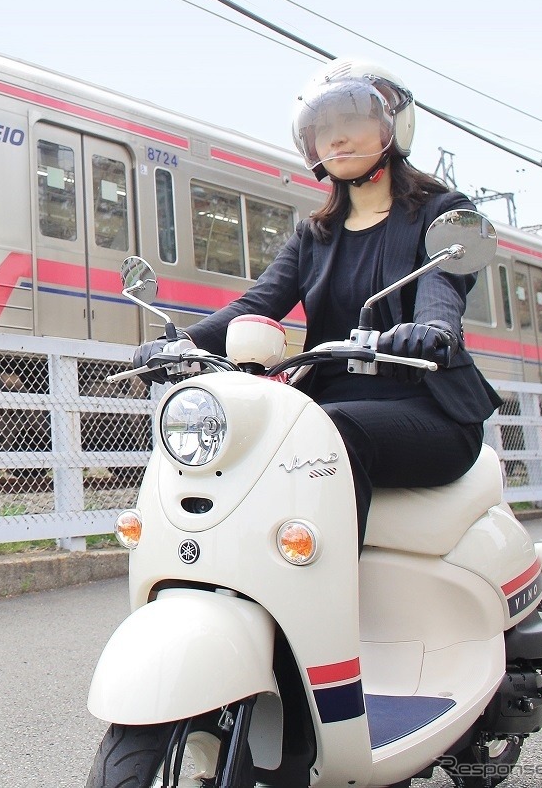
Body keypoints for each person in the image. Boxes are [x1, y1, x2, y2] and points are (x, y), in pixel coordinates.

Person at [133, 58, 502, 551]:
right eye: (323, 130)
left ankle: (331, 593)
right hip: (327, 407)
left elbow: (442, 288)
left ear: (395, 127)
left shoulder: (443, 212)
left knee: (328, 434)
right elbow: (256, 302)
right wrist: (178, 344)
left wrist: (433, 329)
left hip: (428, 409)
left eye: (351, 124)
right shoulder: (315, 234)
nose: (336, 140)